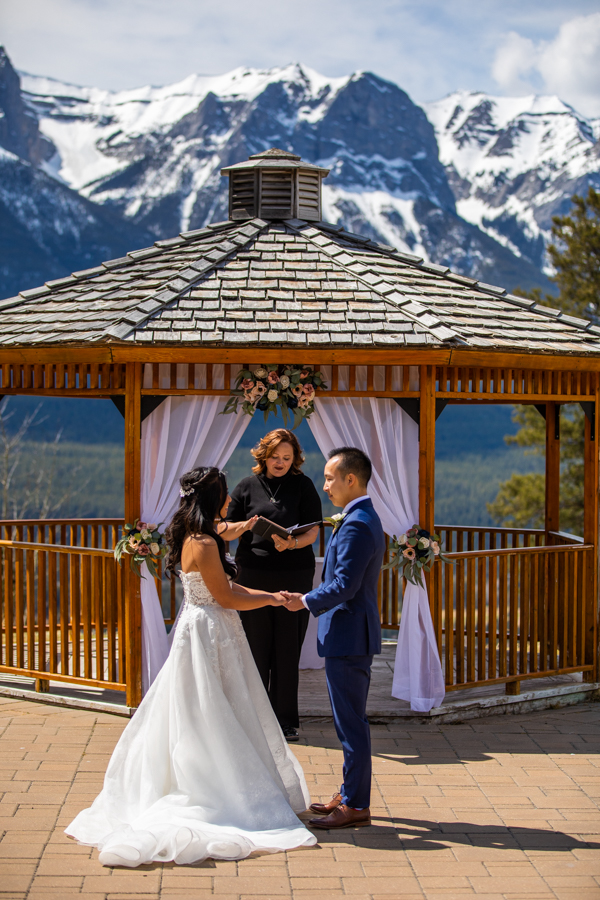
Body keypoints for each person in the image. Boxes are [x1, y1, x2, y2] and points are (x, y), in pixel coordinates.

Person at [65, 467, 316, 867]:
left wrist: (269, 593)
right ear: (214, 499)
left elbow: (229, 584)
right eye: (224, 495)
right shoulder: (203, 542)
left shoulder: (198, 536)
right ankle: (214, 785)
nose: (229, 502)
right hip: (209, 628)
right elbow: (227, 596)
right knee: (209, 709)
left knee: (211, 705)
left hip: (203, 624)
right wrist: (270, 599)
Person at [283, 447, 385, 830]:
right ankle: (348, 791)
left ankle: (356, 804)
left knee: (351, 724)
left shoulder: (357, 523)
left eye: (329, 478)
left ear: (350, 480)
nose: (324, 485)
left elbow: (345, 585)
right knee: (348, 722)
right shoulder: (359, 516)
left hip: (349, 636)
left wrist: (305, 600)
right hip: (348, 634)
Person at [226, 429, 322, 742]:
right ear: (263, 455)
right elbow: (225, 529)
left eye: (286, 457)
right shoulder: (245, 486)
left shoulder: (303, 486)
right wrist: (248, 525)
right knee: (255, 647)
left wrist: (292, 543)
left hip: (294, 575)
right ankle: (254, 718)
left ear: (295, 459)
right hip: (252, 577)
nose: (279, 462)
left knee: (286, 647)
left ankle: (285, 722)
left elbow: (313, 532)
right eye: (274, 456)